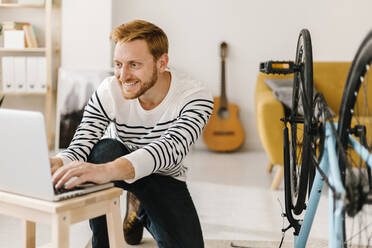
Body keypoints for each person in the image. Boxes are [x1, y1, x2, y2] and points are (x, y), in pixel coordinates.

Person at [50, 19, 213, 248]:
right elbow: (82, 142)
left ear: (162, 63)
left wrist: (106, 171)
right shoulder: (109, 90)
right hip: (116, 160)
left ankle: (138, 209)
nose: (123, 75)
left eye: (134, 65)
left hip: (163, 176)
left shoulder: (195, 97)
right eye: (118, 64)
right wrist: (59, 162)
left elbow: (169, 148)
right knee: (102, 150)